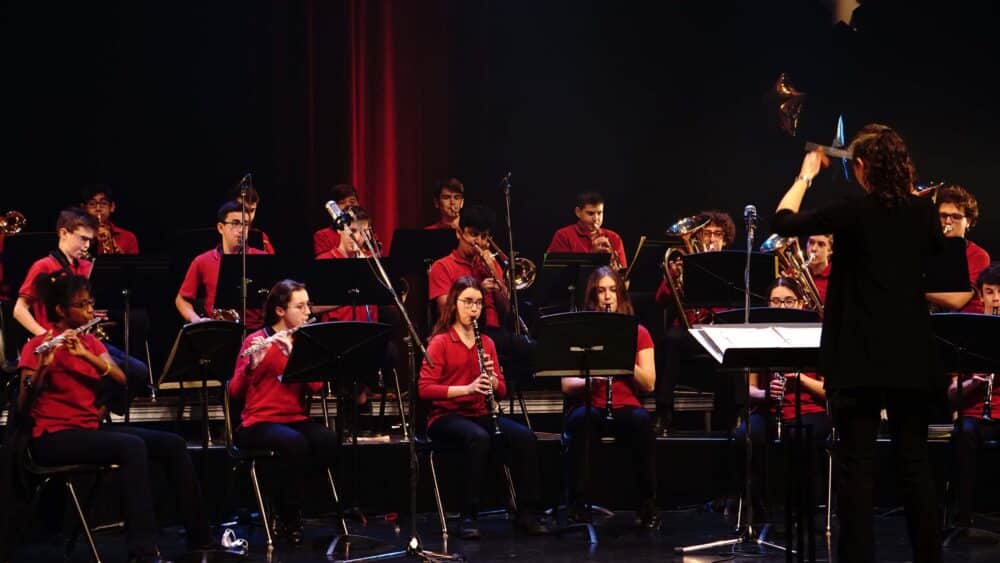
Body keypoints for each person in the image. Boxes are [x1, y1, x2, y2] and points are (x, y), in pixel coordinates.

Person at [772, 123, 970, 563]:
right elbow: (949, 276)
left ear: (861, 167)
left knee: (855, 467)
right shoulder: (922, 213)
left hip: (858, 355)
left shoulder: (851, 210)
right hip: (910, 356)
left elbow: (781, 221)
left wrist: (806, 175)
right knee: (915, 464)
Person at [16, 275, 216, 562]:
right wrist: (42, 371)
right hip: (52, 437)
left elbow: (122, 378)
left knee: (172, 443)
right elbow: (23, 406)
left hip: (87, 430)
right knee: (130, 446)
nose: (89, 311)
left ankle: (201, 539)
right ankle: (143, 550)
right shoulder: (36, 346)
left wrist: (86, 355)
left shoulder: (90, 344)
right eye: (81, 305)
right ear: (60, 310)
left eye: (90, 304)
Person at [418, 276, 550, 539]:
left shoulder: (487, 343)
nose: (474, 309)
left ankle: (526, 513)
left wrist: (492, 380)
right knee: (478, 438)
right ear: (454, 304)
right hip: (446, 416)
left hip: (480, 413)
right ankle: (468, 516)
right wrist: (466, 389)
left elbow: (500, 390)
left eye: (478, 303)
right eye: (468, 302)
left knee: (525, 437)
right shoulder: (441, 342)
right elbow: (424, 389)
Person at [229, 279, 335, 545]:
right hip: (258, 422)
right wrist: (253, 365)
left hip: (294, 418)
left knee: (326, 440)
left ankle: (292, 502)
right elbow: (234, 392)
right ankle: (287, 516)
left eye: (307, 305)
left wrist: (297, 360)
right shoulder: (256, 340)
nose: (308, 312)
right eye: (300, 307)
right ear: (280, 311)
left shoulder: (304, 341)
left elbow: (316, 386)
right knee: (294, 443)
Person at [13, 208, 147, 412]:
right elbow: (19, 309)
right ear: (64, 233)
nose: (86, 246)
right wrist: (45, 337)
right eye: (82, 239)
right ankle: (88, 417)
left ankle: (96, 414)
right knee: (119, 375)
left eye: (89, 241)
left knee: (138, 371)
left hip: (83, 341)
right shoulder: (43, 266)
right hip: (58, 344)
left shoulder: (84, 266)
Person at [561, 266, 659, 528]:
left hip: (625, 404)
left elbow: (649, 383)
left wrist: (624, 359)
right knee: (581, 422)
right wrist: (591, 380)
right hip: (589, 403)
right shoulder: (580, 330)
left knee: (642, 423)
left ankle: (647, 506)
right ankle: (577, 504)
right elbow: (567, 384)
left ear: (621, 295)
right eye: (601, 291)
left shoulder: (639, 332)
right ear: (593, 297)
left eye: (613, 290)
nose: (607, 297)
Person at [732, 277, 831, 523]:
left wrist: (800, 380)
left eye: (788, 301)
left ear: (801, 303)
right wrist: (767, 394)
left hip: (810, 409)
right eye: (775, 301)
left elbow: (830, 391)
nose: (782, 306)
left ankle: (805, 515)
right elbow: (749, 389)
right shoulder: (759, 335)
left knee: (799, 436)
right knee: (744, 436)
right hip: (769, 410)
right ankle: (759, 513)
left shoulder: (819, 334)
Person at [652, 209, 736, 436]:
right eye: (706, 234)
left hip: (722, 333)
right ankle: (663, 411)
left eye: (717, 234)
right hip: (691, 333)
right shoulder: (683, 263)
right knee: (671, 338)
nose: (711, 239)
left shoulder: (732, 267)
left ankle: (727, 421)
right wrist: (676, 274)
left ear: (725, 239)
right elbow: (660, 299)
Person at [946, 262, 1000, 528]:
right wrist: (975, 383)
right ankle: (963, 518)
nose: (996, 299)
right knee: (961, 433)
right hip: (977, 415)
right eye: (989, 292)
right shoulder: (969, 333)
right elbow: (951, 395)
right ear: (980, 295)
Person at [175, 201, 267, 327]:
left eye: (245, 224)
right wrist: (195, 320)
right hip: (219, 331)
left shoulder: (262, 258)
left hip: (255, 332)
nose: (241, 230)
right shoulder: (202, 261)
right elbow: (181, 299)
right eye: (235, 224)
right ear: (220, 228)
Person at [936, 185, 990, 313]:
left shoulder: (978, 255)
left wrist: (913, 290)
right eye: (943, 216)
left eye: (956, 217)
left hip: (966, 325)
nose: (948, 222)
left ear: (969, 222)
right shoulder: (928, 249)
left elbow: (957, 300)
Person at [546, 191, 628, 271]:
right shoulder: (563, 235)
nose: (596, 219)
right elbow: (556, 276)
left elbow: (623, 278)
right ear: (578, 212)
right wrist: (591, 257)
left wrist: (615, 272)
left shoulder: (614, 238)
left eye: (599, 213)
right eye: (590, 213)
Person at [80, 184, 140, 255]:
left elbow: (132, 265)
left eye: (103, 203)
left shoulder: (128, 237)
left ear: (112, 207)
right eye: (92, 204)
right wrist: (92, 241)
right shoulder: (74, 236)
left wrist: (120, 256)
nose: (98, 208)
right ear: (83, 208)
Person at [313, 184, 360, 257]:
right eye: (342, 202)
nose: (348, 205)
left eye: (352, 201)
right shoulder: (322, 235)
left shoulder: (366, 232)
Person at [230, 183, 277, 254]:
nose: (248, 216)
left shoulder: (262, 237)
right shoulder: (224, 233)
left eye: (252, 210)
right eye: (244, 209)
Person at [804, 234, 833, 304]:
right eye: (811, 242)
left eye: (821, 244)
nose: (813, 249)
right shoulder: (794, 271)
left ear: (830, 251)